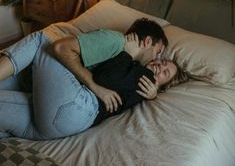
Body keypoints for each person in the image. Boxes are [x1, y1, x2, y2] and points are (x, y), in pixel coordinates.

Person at [0, 29, 187, 140]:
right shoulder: (137, 76)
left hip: (77, 108)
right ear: (147, 41)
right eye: (161, 61)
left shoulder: (146, 76)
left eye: (165, 73)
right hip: (58, 125)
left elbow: (103, 79)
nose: (158, 65)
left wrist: (126, 53)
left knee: (41, 41)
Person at [52, 18, 168, 112]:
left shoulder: (130, 62)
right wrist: (96, 87)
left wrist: (153, 95)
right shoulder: (116, 41)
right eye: (157, 52)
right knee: (41, 40)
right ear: (147, 42)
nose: (155, 59)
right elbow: (61, 48)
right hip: (56, 72)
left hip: (61, 86)